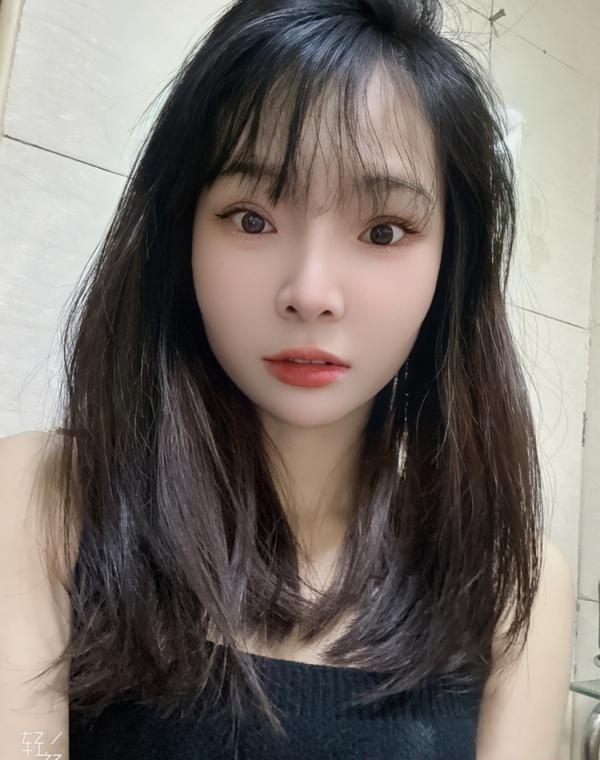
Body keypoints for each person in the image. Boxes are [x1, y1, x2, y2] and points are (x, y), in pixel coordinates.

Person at [0, 0, 576, 758]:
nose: (310, 292)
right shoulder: (43, 497)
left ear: (452, 267)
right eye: (251, 218)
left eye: (383, 231)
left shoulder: (512, 582)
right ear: (181, 233)